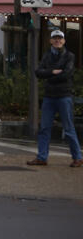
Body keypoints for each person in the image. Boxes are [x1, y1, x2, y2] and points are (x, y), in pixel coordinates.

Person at [27, 27, 82, 167]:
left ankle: (77, 157)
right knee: (44, 128)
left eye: (60, 38)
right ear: (51, 41)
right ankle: (42, 157)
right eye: (55, 38)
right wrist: (53, 71)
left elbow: (67, 74)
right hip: (49, 97)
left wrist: (49, 75)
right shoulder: (46, 56)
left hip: (64, 95)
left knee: (69, 128)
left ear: (63, 41)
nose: (57, 40)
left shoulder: (70, 56)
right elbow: (38, 72)